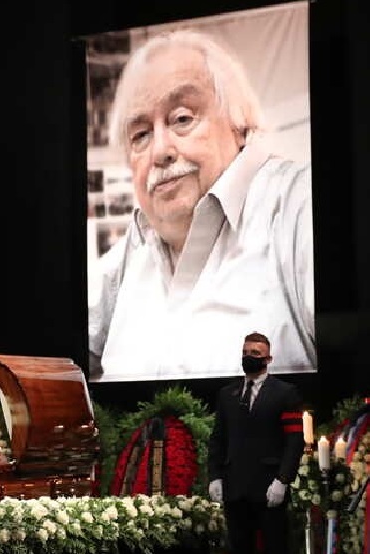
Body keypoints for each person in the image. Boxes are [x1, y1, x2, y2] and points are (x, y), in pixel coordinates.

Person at [88, 29, 315, 382]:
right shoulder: (134, 248)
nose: (160, 151)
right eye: (140, 135)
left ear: (240, 124)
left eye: (182, 119)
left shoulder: (298, 206)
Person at [208, 331, 305, 554]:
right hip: (236, 489)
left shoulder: (285, 393)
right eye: (246, 352)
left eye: (256, 353)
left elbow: (294, 441)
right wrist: (215, 476)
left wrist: (283, 480)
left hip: (269, 489)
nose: (249, 357)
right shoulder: (228, 394)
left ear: (268, 358)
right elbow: (218, 439)